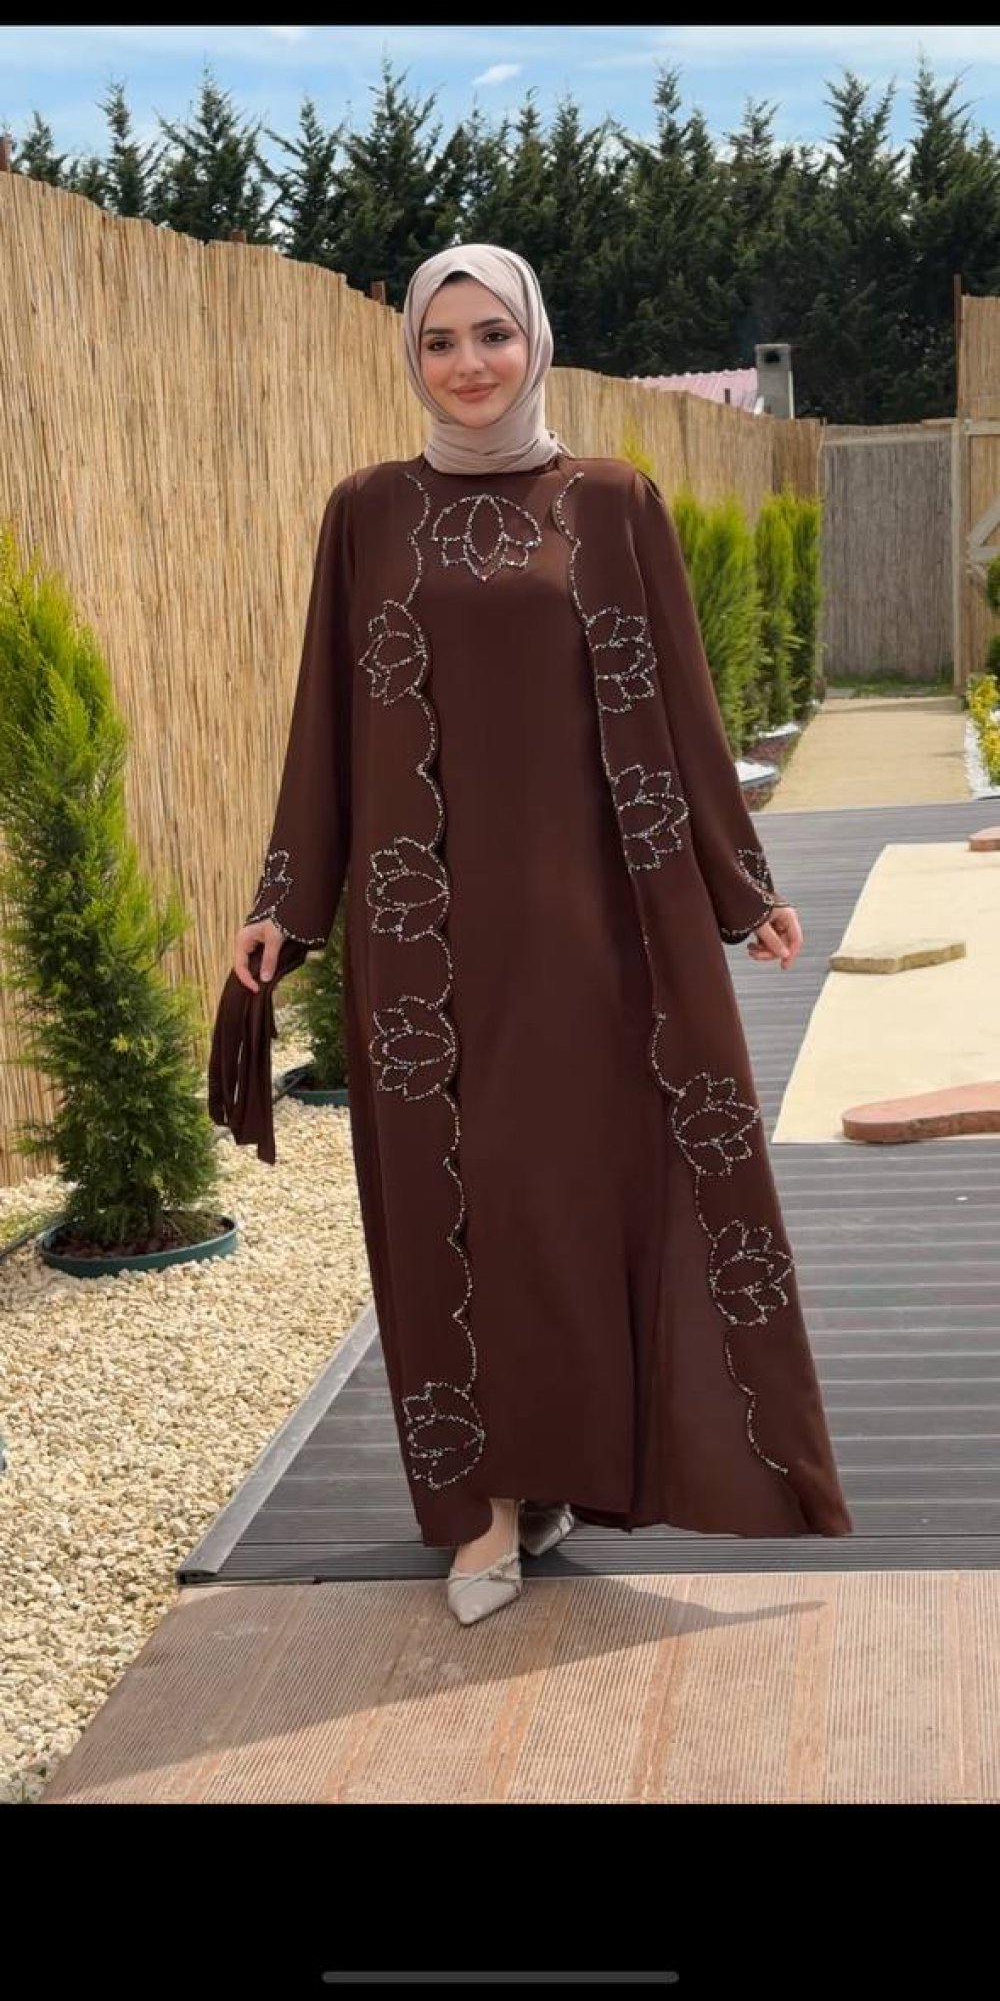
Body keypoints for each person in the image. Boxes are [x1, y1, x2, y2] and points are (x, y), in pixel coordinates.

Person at [209, 244, 851, 1628]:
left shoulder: (613, 501)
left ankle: (561, 1467)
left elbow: (679, 703)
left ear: (537, 340)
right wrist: (284, 901)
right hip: (424, 948)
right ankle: (484, 1514)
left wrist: (741, 885)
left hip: (592, 939)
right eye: (439, 341)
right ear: (411, 357)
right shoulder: (366, 512)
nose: (468, 364)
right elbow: (325, 720)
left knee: (573, 1208)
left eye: (491, 333)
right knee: (459, 1213)